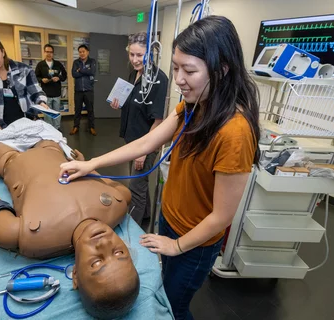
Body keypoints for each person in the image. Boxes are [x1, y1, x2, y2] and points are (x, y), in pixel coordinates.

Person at [60, 15, 261, 320]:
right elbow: (148, 141)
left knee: (174, 307)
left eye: (189, 70)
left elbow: (222, 216)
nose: (179, 79)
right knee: (162, 292)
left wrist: (177, 245)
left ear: (222, 70)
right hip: (171, 219)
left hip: (194, 242)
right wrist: (92, 163)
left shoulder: (235, 132)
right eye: (176, 67)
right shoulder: (194, 105)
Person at [0, 132, 139, 319]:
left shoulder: (34, 236)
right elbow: (112, 186)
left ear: (75, 275)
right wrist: (88, 168)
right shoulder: (117, 204)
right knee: (48, 137)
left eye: (97, 262)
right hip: (52, 150)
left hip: (12, 161)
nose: (104, 243)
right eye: (119, 253)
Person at [110, 32, 168, 226]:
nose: (135, 60)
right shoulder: (135, 73)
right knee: (139, 184)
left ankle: (132, 230)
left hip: (145, 143)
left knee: (135, 187)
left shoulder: (158, 80)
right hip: (132, 140)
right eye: (131, 54)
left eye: (140, 55)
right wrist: (120, 104)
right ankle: (144, 218)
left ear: (151, 53)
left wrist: (143, 151)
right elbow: (135, 103)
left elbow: (158, 120)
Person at [0, 34, 49, 129]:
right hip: (3, 126)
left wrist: (41, 102)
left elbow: (36, 91)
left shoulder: (24, 69)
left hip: (28, 123)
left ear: (2, 52)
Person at [35, 44, 67, 130]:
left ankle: (56, 128)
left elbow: (64, 76)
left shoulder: (57, 64)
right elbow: (35, 77)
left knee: (56, 112)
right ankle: (48, 128)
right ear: (44, 52)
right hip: (46, 93)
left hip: (56, 92)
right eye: (47, 52)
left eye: (51, 52)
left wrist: (59, 78)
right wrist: (42, 80)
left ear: (53, 53)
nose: (49, 54)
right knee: (47, 112)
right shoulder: (40, 65)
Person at [70, 44, 97, 136]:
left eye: (83, 51)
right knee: (77, 110)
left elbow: (92, 72)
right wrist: (85, 71)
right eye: (80, 52)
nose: (82, 53)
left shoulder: (92, 61)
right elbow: (74, 74)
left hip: (88, 90)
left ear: (87, 52)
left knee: (90, 110)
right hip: (78, 90)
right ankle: (76, 127)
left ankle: (92, 127)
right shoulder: (76, 62)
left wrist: (80, 70)